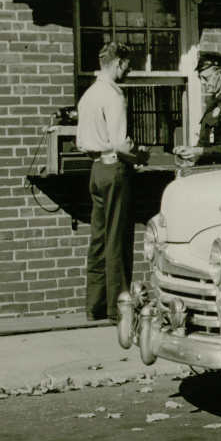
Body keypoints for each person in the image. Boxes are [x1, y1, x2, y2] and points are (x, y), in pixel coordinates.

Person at [77, 41, 147, 323]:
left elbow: (83, 140)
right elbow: (120, 143)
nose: (129, 70)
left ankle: (95, 304)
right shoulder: (114, 95)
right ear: (118, 63)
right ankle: (119, 308)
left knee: (99, 238)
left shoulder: (88, 95)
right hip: (114, 169)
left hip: (95, 169)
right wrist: (140, 154)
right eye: (128, 65)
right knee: (118, 238)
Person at [173, 50, 221, 167]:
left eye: (206, 78)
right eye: (200, 79)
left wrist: (198, 151)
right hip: (209, 169)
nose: (203, 83)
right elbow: (207, 143)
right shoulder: (216, 102)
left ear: (220, 74)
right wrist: (191, 154)